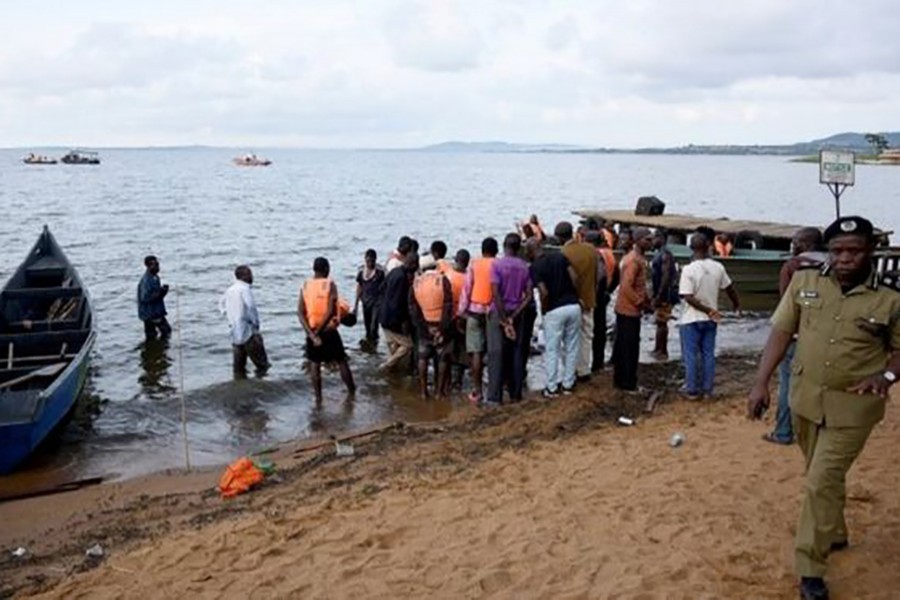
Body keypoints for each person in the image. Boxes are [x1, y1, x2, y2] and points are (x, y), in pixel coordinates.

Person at [748, 216, 900, 600]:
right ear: (828, 252)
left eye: (855, 250)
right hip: (805, 399)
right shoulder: (805, 282)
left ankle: (810, 569)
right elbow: (782, 332)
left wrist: (887, 377)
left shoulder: (891, 299)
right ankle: (835, 532)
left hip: (855, 407)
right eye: (838, 251)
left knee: (820, 479)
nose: (845, 258)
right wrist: (761, 382)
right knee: (821, 473)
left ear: (870, 252)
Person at [763, 227, 828, 445]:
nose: (793, 244)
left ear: (806, 243)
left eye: (796, 241)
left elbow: (786, 305)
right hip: (824, 337)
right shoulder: (834, 265)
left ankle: (783, 431)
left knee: (787, 383)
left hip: (796, 335)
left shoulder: (792, 266)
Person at [678, 232, 740, 398]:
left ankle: (692, 389)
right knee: (708, 354)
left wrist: (706, 310)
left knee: (691, 355)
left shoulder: (688, 270)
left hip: (692, 318)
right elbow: (729, 288)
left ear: (691, 248)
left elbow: (687, 297)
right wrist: (736, 304)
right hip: (711, 319)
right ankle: (707, 389)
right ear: (709, 246)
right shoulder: (718, 267)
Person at [297, 257, 356, 403]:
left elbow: (299, 312)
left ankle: (318, 398)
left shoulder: (305, 285)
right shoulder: (330, 284)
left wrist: (311, 334)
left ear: (314, 269)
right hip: (328, 330)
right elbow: (330, 312)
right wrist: (318, 333)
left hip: (312, 330)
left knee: (314, 364)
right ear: (325, 269)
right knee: (341, 361)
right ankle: (351, 391)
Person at [528, 238, 581, 397]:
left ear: (531, 251)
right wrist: (575, 296)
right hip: (573, 306)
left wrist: (544, 311)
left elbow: (543, 292)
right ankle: (568, 384)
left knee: (552, 349)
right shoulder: (559, 256)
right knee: (571, 347)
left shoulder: (535, 267)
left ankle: (551, 387)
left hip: (554, 310)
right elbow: (575, 277)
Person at [486, 233, 533, 404]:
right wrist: (514, 315)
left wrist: (504, 319)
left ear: (504, 246)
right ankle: (515, 393)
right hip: (517, 314)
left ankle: (494, 397)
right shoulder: (525, 267)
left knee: (495, 354)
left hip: (499, 313)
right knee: (516, 353)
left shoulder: (496, 265)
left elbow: (495, 293)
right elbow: (528, 296)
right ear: (519, 248)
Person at [557, 221, 599, 384]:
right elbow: (597, 275)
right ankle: (584, 369)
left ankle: (570, 369)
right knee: (586, 335)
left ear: (560, 237)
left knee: (569, 337)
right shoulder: (591, 250)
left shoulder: (562, 253)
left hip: (570, 302)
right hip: (589, 298)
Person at [612, 228, 653, 391]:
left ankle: (621, 381)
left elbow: (638, 286)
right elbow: (626, 286)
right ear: (638, 240)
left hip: (627, 309)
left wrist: (647, 302)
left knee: (624, 346)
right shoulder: (634, 261)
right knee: (629, 348)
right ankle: (628, 384)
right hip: (628, 310)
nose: (651, 243)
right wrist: (640, 303)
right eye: (647, 240)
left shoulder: (635, 258)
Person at [458, 237, 498, 403]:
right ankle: (494, 389)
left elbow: (466, 289)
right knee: (494, 351)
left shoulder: (474, 265)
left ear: (482, 251)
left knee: (476, 352)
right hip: (492, 312)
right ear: (495, 251)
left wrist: (461, 312)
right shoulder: (498, 264)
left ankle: (477, 390)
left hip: (474, 311)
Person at [410, 267, 454, 398]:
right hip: (441, 325)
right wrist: (441, 329)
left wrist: (422, 326)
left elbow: (413, 308)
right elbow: (448, 306)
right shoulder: (443, 280)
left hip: (424, 326)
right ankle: (439, 392)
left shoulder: (416, 283)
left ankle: (423, 392)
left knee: (423, 357)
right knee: (442, 358)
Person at [219, 265, 270, 377]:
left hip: (235, 333)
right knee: (262, 365)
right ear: (244, 276)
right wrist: (256, 324)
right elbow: (251, 307)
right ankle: (262, 389)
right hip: (248, 332)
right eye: (250, 274)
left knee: (239, 369)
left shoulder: (230, 289)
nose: (252, 277)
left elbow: (221, 304)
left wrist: (228, 316)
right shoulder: (245, 289)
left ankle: (241, 391)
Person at [378, 254, 418, 371]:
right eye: (416, 264)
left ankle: (394, 374)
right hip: (393, 318)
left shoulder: (394, 271)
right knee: (408, 345)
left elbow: (381, 288)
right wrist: (403, 321)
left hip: (384, 314)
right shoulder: (402, 278)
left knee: (394, 346)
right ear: (412, 264)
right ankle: (387, 365)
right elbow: (398, 303)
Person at [587, 231, 619, 371]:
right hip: (604, 294)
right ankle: (598, 362)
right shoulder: (610, 254)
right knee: (600, 329)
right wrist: (609, 291)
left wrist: (595, 294)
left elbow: (599, 276)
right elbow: (617, 275)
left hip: (596, 296)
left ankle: (593, 363)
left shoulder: (595, 255)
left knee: (592, 330)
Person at [650, 229, 680, 360]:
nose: (652, 240)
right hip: (661, 292)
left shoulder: (666, 255)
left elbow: (666, 277)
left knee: (662, 322)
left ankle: (662, 351)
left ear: (662, 238)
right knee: (659, 321)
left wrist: (659, 296)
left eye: (655, 237)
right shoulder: (659, 254)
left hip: (665, 294)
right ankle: (658, 348)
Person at [445, 249, 470, 394]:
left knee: (448, 350)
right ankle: (457, 381)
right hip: (464, 319)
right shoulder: (468, 278)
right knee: (462, 350)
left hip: (449, 318)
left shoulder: (447, 276)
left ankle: (447, 381)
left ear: (455, 260)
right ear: (467, 263)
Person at [354, 249, 386, 349]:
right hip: (365, 302)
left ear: (375, 260)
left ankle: (374, 347)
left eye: (372, 261)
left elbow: (386, 286)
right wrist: (356, 304)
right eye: (368, 261)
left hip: (377, 302)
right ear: (365, 260)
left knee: (373, 327)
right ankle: (369, 348)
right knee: (367, 328)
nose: (370, 263)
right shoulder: (361, 271)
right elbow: (359, 287)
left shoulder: (380, 271)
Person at [137, 255, 172, 341]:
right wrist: (160, 293)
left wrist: (163, 292)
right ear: (148, 266)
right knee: (166, 331)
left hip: (155, 311)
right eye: (154, 264)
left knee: (152, 336)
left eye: (157, 264)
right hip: (151, 314)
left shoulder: (155, 277)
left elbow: (157, 296)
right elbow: (145, 298)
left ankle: (155, 352)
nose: (157, 267)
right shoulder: (147, 280)